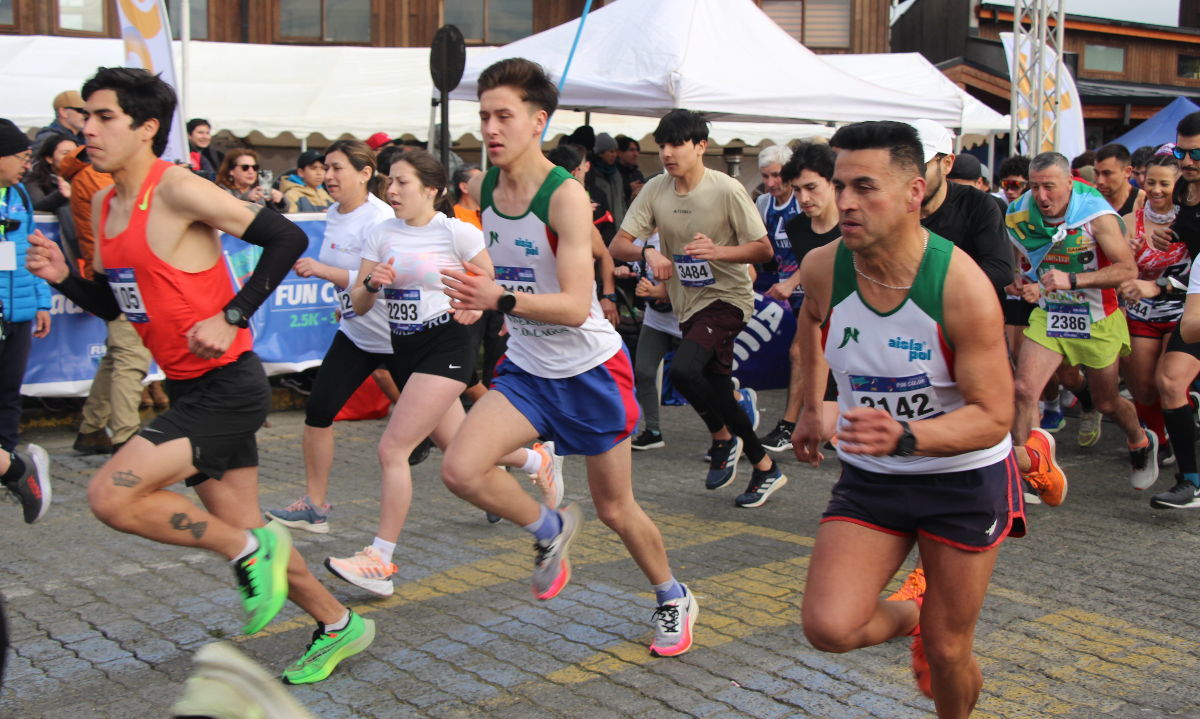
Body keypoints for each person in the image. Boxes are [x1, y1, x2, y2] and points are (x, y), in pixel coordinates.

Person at [25, 67, 373, 685]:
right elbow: (116, 304)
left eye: (105, 117)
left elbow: (287, 236)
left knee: (111, 496)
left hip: (228, 384)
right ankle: (338, 622)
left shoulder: (177, 189)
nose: (88, 129)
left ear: (147, 128)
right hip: (188, 386)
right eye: (87, 116)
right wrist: (63, 279)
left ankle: (245, 554)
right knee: (247, 524)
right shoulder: (105, 203)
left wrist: (233, 313)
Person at [439, 58, 697, 657]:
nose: (491, 129)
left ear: (538, 121)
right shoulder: (482, 190)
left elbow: (579, 305)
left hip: (589, 371)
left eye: (505, 116)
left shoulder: (567, 197)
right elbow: (499, 266)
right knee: (460, 469)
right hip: (528, 369)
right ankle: (548, 526)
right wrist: (478, 298)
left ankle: (671, 596)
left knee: (613, 508)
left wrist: (499, 297)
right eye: (484, 117)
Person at [794, 120, 1022, 717]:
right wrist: (809, 408)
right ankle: (921, 613)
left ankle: (940, 632)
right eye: (840, 185)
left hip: (962, 479)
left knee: (950, 653)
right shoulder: (824, 266)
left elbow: (995, 416)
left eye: (865, 187)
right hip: (876, 480)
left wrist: (907, 435)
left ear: (915, 191)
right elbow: (812, 325)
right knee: (829, 627)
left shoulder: (961, 286)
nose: (845, 202)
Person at [324, 149, 562, 596]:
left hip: (447, 346)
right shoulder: (379, 234)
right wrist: (373, 284)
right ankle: (534, 459)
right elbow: (358, 304)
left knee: (392, 449)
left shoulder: (455, 233)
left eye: (402, 183)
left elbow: (492, 286)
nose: (391, 191)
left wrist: (474, 309)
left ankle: (380, 559)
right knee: (458, 446)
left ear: (431, 189)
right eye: (389, 183)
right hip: (404, 349)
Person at [610, 109, 786, 508]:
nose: (668, 153)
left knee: (685, 370)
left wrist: (718, 251)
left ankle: (722, 439)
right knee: (717, 390)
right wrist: (648, 252)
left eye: (677, 144)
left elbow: (763, 249)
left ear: (701, 146)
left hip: (728, 299)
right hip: (686, 303)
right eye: (663, 145)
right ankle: (764, 467)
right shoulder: (656, 189)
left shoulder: (726, 189)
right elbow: (616, 245)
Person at [264, 140, 398, 533]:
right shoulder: (335, 213)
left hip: (397, 334)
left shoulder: (380, 218)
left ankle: (515, 460)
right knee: (319, 411)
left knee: (445, 430)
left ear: (365, 173)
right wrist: (344, 300)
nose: (328, 176)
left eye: (338, 168)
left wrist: (323, 271)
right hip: (356, 332)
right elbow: (353, 282)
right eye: (325, 168)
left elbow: (379, 280)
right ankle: (315, 506)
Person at [1006, 151, 1155, 502]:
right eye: (1035, 187)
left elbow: (1126, 270)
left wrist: (1072, 280)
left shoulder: (1095, 214)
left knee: (1106, 402)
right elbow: (1020, 259)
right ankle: (1032, 469)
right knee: (1025, 389)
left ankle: (1140, 439)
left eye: (1050, 188)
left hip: (1097, 317)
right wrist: (1018, 279)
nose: (1041, 197)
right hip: (1052, 314)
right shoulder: (1018, 212)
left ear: (1070, 184)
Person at [759, 142, 842, 454]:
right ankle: (793, 423)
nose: (804, 199)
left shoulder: (856, 221)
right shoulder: (797, 227)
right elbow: (811, 277)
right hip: (820, 316)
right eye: (797, 191)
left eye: (812, 188)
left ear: (833, 182)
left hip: (862, 329)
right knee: (801, 358)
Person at [1119, 153, 1191, 477]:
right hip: (1142, 311)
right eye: (1152, 183)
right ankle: (1159, 439)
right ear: (1142, 182)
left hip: (1183, 309)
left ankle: (1182, 437)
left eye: (1166, 183)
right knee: (1144, 388)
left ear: (1178, 185)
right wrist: (1129, 258)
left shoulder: (1190, 219)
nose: (1158, 190)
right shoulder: (1129, 221)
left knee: (1170, 381)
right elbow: (1117, 272)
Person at [0, 120, 53, 456]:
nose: (27, 164)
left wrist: (42, 302)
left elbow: (34, 251)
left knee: (9, 393)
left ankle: (7, 462)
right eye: (21, 156)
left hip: (17, 311)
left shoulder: (19, 194)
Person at [1159, 113, 1200, 507]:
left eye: (1196, 153)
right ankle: (1190, 480)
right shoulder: (1182, 191)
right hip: (1195, 298)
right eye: (1181, 152)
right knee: (1169, 383)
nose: (1186, 162)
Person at [587, 132, 629, 230]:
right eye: (611, 151)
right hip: (602, 228)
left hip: (619, 226)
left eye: (615, 151)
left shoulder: (616, 174)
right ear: (600, 153)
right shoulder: (592, 175)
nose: (614, 155)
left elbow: (622, 201)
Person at [216, 149, 284, 209]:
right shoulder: (221, 191)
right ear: (231, 170)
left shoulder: (258, 190)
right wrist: (247, 199)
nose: (251, 171)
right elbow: (228, 211)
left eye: (255, 167)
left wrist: (279, 201)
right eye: (245, 167)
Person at [1094, 143, 1146, 216]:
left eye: (1107, 173)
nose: (1100, 181)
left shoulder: (1144, 202)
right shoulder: (1088, 201)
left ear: (1127, 171)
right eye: (1096, 173)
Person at [282, 149, 334, 213]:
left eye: (323, 168)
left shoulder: (326, 194)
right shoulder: (292, 195)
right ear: (301, 172)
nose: (319, 173)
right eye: (313, 168)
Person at [616, 135, 646, 202]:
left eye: (637, 150)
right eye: (631, 150)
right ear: (620, 153)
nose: (636, 154)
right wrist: (628, 189)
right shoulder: (613, 173)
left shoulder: (637, 174)